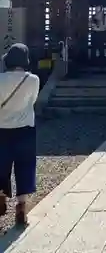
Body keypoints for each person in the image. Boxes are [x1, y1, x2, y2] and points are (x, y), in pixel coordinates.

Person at [0, 43, 40, 226]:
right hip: (25, 129)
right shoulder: (33, 80)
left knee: (1, 166)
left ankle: (0, 199)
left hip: (2, 129)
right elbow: (32, 102)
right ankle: (21, 208)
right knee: (24, 166)